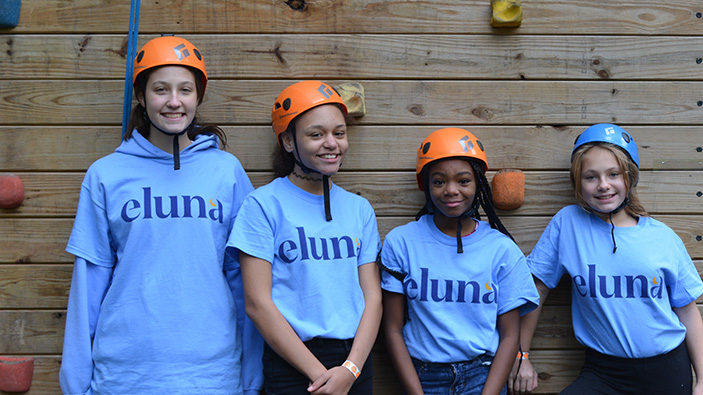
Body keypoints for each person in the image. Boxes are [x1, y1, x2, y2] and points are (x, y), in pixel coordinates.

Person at [59, 35, 254, 394]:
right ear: (141, 96)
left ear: (199, 96)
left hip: (211, 376)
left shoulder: (227, 173)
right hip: (124, 376)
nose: (174, 102)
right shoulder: (106, 175)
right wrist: (75, 384)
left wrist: (252, 378)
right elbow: (88, 283)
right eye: (160, 90)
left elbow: (245, 280)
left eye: (185, 90)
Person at [508, 123, 703, 395]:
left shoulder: (663, 237)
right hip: (604, 373)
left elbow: (687, 310)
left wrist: (702, 380)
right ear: (577, 181)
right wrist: (522, 356)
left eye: (614, 174)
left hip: (667, 372)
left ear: (630, 177)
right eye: (591, 177)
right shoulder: (568, 224)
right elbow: (536, 289)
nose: (603, 185)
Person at [227, 80, 382, 394]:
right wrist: (322, 376)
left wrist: (350, 370)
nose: (332, 143)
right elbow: (258, 304)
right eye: (316, 134)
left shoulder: (359, 209)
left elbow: (373, 298)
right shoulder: (262, 206)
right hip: (292, 363)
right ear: (287, 141)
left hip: (354, 364)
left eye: (339, 133)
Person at [379, 127, 540, 395]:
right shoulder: (401, 242)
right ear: (426, 186)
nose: (451, 190)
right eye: (439, 181)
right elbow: (393, 329)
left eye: (463, 181)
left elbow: (510, 335)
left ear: (478, 184)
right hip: (422, 377)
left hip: (483, 376)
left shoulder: (501, 249)